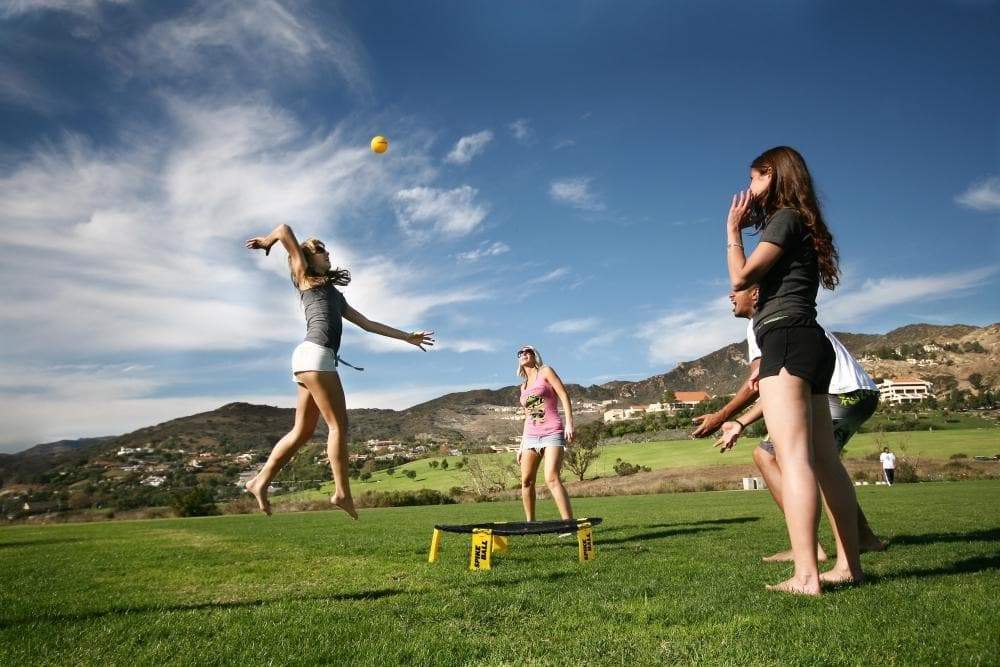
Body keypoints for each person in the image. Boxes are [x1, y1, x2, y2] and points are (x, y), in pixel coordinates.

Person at [724, 146, 863, 595]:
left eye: (756, 178)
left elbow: (742, 278)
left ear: (775, 175)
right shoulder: (799, 220)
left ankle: (807, 575)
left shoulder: (784, 217)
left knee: (795, 457)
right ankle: (848, 567)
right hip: (811, 340)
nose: (750, 188)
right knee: (825, 461)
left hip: (785, 337)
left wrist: (731, 230)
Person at [244, 225, 434, 517]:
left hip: (309, 358)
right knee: (337, 426)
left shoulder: (334, 294)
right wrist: (268, 241)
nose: (328, 252)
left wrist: (407, 336)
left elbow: (368, 323)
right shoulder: (304, 276)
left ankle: (260, 481)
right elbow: (283, 230)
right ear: (307, 257)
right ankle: (342, 493)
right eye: (320, 249)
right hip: (317, 355)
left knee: (303, 431)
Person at [700, 286, 885, 561]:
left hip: (837, 394)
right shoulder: (790, 316)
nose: (730, 296)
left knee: (768, 456)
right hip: (859, 395)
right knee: (823, 465)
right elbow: (781, 387)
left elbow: (763, 385)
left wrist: (721, 416)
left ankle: (810, 549)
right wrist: (740, 422)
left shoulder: (763, 322)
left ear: (756, 295)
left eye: (738, 289)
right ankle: (864, 538)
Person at [516, 345, 575, 522]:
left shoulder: (545, 371)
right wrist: (521, 445)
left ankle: (567, 523)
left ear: (535, 356)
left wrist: (569, 424)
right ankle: (530, 523)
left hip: (552, 432)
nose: (525, 354)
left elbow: (564, 395)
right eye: (521, 353)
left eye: (529, 352)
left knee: (551, 478)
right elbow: (529, 415)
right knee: (526, 482)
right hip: (530, 437)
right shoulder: (523, 386)